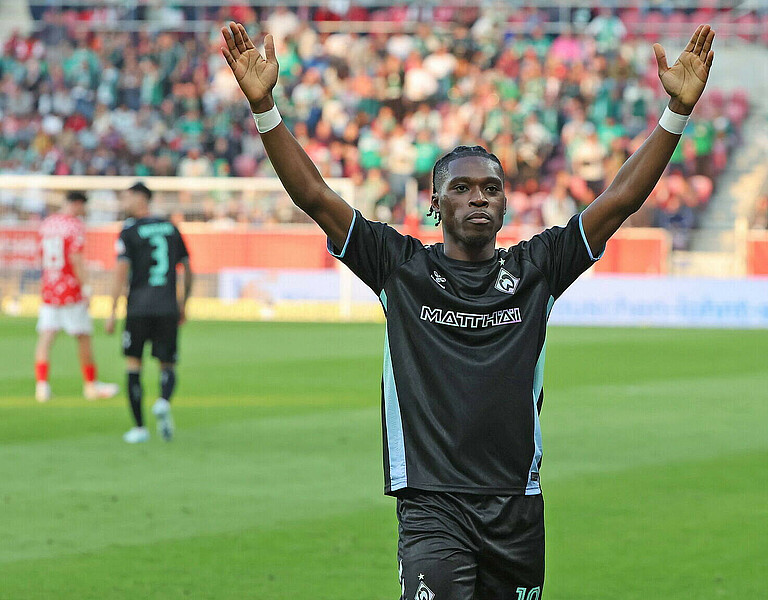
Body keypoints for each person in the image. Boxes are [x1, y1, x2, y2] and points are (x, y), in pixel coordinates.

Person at [221, 21, 714, 598]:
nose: (478, 197)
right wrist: (265, 109)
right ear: (434, 204)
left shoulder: (538, 270)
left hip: (516, 506)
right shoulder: (399, 268)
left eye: (490, 189)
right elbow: (315, 196)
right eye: (461, 188)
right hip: (433, 505)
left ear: (505, 204)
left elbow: (620, 199)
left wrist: (674, 115)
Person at [104, 182, 193, 443]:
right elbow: (187, 268)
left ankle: (140, 428)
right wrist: (183, 303)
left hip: (138, 307)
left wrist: (112, 309)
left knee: (134, 365)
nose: (124, 202)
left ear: (141, 198)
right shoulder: (170, 227)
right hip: (167, 306)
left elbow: (121, 271)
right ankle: (164, 401)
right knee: (168, 363)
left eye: (127, 196)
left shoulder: (129, 230)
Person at [34, 191, 120, 403]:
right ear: (77, 204)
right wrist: (87, 288)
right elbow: (76, 259)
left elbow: (41, 256)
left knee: (46, 337)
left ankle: (42, 385)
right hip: (70, 289)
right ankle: (91, 385)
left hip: (49, 288)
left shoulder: (46, 224)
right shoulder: (74, 226)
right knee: (83, 337)